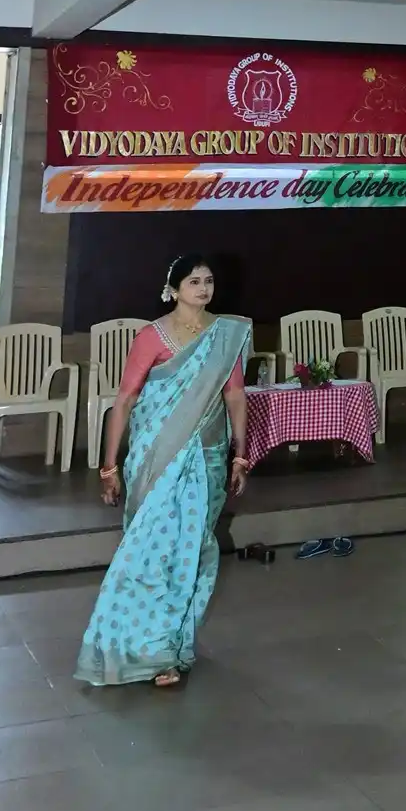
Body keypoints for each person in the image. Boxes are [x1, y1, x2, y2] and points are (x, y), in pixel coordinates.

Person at [75, 255, 251, 690]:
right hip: (157, 458)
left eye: (209, 281)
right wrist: (109, 466)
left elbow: (236, 398)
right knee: (150, 554)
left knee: (191, 556)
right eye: (194, 281)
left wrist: (240, 456)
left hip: (207, 457)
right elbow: (125, 401)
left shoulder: (225, 335)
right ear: (173, 288)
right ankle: (140, 648)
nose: (204, 288)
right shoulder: (151, 336)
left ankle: (173, 649)